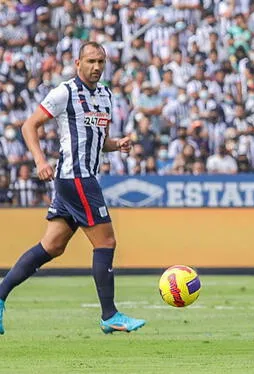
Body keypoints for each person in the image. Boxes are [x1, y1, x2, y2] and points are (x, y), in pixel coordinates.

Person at [0, 42, 145, 335]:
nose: (96, 67)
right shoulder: (65, 92)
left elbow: (100, 140)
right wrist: (40, 161)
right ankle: (109, 315)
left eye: (101, 62)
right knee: (105, 242)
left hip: (81, 177)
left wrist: (118, 145)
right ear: (77, 63)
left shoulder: (105, 95)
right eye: (91, 61)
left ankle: (0, 295)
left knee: (51, 246)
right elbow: (30, 125)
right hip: (75, 177)